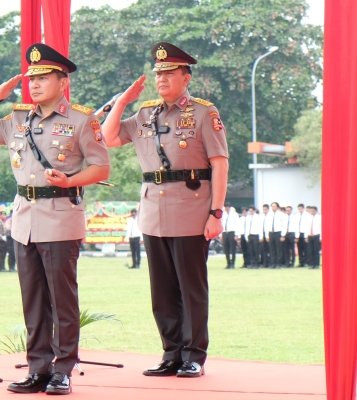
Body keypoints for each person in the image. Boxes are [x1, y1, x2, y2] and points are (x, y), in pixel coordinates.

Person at [0, 42, 110, 395]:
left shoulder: (81, 119)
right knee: (32, 300)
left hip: (61, 216)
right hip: (24, 220)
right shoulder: (17, 118)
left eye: (43, 78)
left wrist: (71, 180)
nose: (33, 85)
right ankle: (38, 369)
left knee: (62, 301)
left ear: (62, 82)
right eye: (30, 79)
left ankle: (63, 369)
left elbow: (101, 166)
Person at [101, 42, 226, 378]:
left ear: (186, 77)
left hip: (192, 211)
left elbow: (219, 164)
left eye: (169, 73)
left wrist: (217, 213)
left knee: (191, 288)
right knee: (163, 292)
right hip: (153, 212)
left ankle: (194, 355)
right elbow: (108, 137)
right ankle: (171, 353)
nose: (162, 79)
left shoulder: (203, 112)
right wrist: (123, 102)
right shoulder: (145, 114)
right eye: (158, 74)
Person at [221, 203, 239, 269]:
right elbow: (221, 224)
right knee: (226, 249)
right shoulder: (223, 214)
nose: (227, 209)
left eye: (228, 208)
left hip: (232, 232)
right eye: (226, 208)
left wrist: (237, 234)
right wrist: (221, 234)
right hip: (225, 232)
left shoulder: (234, 214)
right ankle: (228, 263)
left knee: (233, 249)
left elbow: (237, 224)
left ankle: (233, 263)